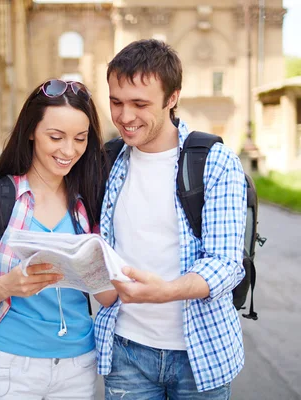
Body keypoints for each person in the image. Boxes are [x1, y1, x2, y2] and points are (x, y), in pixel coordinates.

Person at [95, 39, 247, 399]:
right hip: (124, 351)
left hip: (200, 353)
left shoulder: (214, 161)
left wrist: (166, 292)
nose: (125, 117)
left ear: (172, 97)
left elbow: (226, 263)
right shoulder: (108, 160)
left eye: (140, 104)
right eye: (116, 102)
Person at [0, 79, 117, 400]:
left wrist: (97, 274)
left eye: (80, 139)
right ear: (31, 131)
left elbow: (108, 298)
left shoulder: (90, 203)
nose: (68, 150)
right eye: (56, 137)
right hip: (10, 364)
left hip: (78, 365)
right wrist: (8, 286)